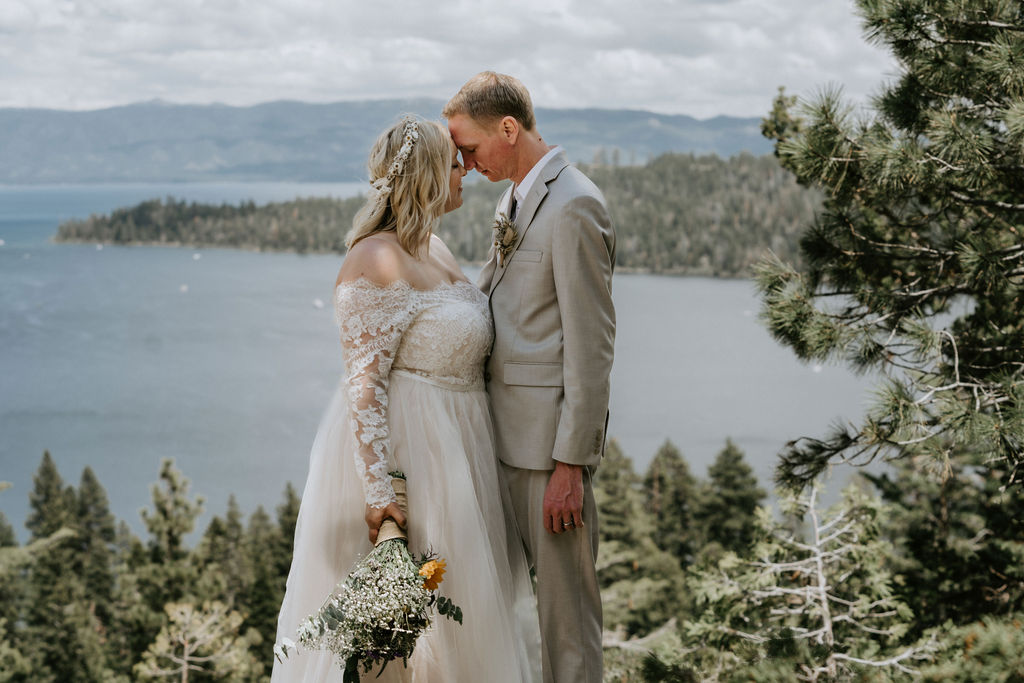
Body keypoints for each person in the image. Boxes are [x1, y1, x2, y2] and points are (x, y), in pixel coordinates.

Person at [271, 115, 540, 682]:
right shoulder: (374, 259)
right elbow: (363, 384)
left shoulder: (435, 248)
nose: (466, 169)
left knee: (462, 633)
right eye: (454, 162)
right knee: (400, 648)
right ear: (426, 175)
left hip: (463, 458)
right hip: (413, 468)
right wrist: (380, 499)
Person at [444, 73, 616, 683]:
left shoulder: (574, 204)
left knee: (566, 626)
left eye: (469, 147)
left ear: (509, 129)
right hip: (499, 440)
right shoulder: (514, 197)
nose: (464, 162)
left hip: (548, 458)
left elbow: (591, 347)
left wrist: (571, 464)